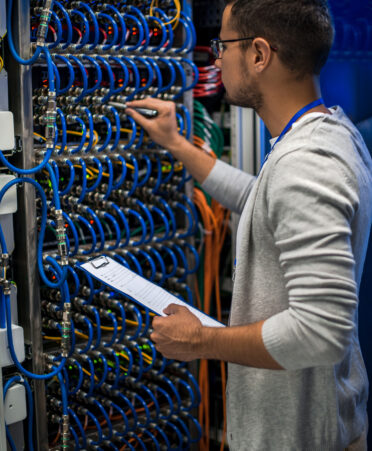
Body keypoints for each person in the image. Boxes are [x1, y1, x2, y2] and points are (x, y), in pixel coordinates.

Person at [126, 0, 372, 449]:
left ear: (259, 54)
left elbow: (320, 332)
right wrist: (177, 143)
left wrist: (200, 339)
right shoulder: (328, 133)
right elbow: (260, 197)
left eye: (224, 45)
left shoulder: (306, 165)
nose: (216, 59)